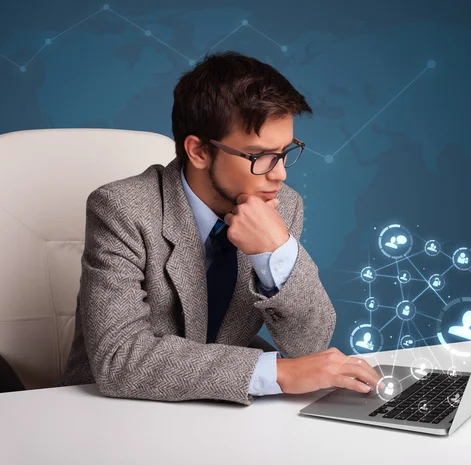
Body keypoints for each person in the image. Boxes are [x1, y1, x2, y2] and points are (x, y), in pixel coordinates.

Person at [60, 51, 380, 405]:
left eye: (285, 151)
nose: (280, 173)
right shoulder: (122, 209)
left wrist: (276, 252)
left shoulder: (282, 205)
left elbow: (309, 345)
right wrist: (278, 373)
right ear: (198, 151)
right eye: (260, 156)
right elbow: (119, 359)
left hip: (223, 413)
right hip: (112, 411)